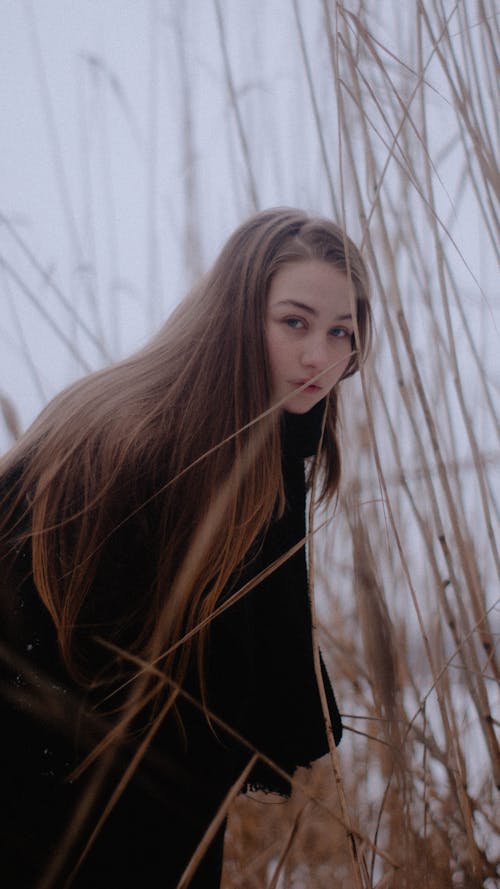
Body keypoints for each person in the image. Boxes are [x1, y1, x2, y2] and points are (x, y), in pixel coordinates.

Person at [0, 208, 371, 888]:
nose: (319, 355)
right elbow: (94, 677)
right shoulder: (143, 443)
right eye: (294, 322)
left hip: (124, 800)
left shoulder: (262, 447)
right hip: (51, 805)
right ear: (236, 314)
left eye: (340, 332)